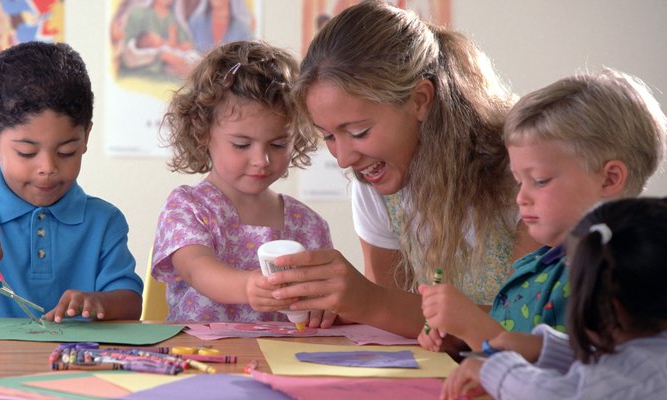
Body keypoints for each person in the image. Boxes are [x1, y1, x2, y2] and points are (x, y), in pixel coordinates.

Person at [267, 0, 531, 337]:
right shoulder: (374, 182)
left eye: (359, 132)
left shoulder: (525, 174)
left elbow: (525, 330)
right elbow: (403, 323)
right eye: (329, 136)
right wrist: (348, 305)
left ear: (420, 100)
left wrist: (371, 303)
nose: (344, 159)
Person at [418, 68, 667, 354]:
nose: (521, 198)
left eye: (539, 181)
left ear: (609, 178)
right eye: (518, 181)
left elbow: (568, 375)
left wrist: (476, 328)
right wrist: (463, 342)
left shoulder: (612, 279)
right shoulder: (539, 263)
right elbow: (517, 341)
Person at [0, 41, 144, 321]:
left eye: (66, 151)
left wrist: (98, 302)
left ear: (85, 138)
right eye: (27, 152)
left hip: (69, 366)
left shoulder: (103, 222)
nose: (48, 167)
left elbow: (131, 303)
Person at [151, 40, 334, 325]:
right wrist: (247, 287)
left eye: (277, 143)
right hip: (205, 358)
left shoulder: (309, 224)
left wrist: (327, 306)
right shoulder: (187, 207)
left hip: (282, 362)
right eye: (241, 144)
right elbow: (196, 269)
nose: (261, 159)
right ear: (202, 132)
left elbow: (327, 296)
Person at [441, 197, 667, 400]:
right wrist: (545, 347)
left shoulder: (640, 375)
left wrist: (495, 369)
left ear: (609, 307)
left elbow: (555, 393)